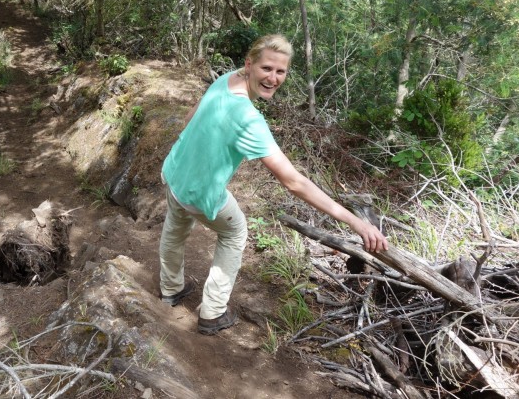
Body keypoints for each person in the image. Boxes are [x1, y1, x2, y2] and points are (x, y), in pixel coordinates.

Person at [159, 34, 388, 335]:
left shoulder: (227, 79)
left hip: (175, 172)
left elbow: (195, 113)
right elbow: (293, 182)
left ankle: (170, 289)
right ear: (249, 64)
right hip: (198, 192)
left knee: (175, 229)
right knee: (234, 231)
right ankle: (213, 312)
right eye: (267, 69)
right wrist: (355, 222)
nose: (273, 78)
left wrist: (183, 146)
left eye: (280, 71)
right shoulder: (249, 119)